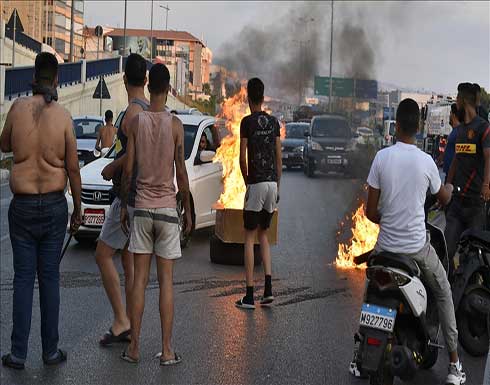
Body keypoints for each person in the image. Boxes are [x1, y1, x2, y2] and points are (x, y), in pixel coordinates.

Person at [352, 98, 465, 384]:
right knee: (443, 292)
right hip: (416, 250)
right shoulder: (426, 162)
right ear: (419, 127)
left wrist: (388, 221)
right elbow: (443, 197)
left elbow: (370, 211)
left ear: (397, 125)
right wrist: (449, 189)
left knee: (370, 292)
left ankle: (357, 357)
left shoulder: (382, 157)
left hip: (385, 249)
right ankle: (454, 366)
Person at [0, 52, 82, 369]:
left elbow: (5, 144)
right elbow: (74, 170)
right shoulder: (63, 117)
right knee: (49, 279)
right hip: (53, 205)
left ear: (33, 76)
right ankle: (50, 351)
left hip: (21, 207)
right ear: (58, 79)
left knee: (23, 280)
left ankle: (18, 353)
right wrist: (78, 210)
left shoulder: (18, 108)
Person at [119, 63, 192, 365]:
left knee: (138, 282)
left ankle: (134, 348)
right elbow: (181, 171)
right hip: (165, 211)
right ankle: (167, 350)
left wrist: (125, 203)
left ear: (148, 86)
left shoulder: (136, 123)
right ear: (168, 88)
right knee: (166, 283)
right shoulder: (175, 126)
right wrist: (185, 208)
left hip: (143, 209)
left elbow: (128, 169)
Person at [96, 53, 150, 346]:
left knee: (102, 255)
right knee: (129, 263)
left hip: (127, 194)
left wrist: (112, 167)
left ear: (125, 78)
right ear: (145, 79)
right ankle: (130, 323)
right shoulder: (152, 108)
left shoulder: (131, 113)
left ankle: (121, 320)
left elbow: (135, 153)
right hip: (145, 194)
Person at [236, 78, 282, 309]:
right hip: (272, 184)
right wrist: (278, 184)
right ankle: (269, 290)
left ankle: (249, 295)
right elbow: (278, 156)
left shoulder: (246, 123)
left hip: (256, 183)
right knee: (264, 235)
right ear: (263, 97)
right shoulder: (274, 122)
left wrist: (247, 182)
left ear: (248, 98)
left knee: (249, 237)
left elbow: (242, 157)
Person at [445, 82, 490, 278]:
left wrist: (487, 185)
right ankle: (448, 292)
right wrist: (447, 185)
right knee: (446, 252)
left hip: (475, 206)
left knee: (471, 259)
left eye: (457, 99)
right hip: (456, 204)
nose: (456, 102)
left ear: (463, 101)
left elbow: (489, 158)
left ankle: (472, 297)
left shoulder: (483, 128)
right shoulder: (461, 130)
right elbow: (456, 160)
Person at [443, 103, 461, 179]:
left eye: (450, 113)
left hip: (454, 176)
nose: (449, 115)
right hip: (449, 173)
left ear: (453, 115)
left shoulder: (459, 132)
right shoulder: (454, 131)